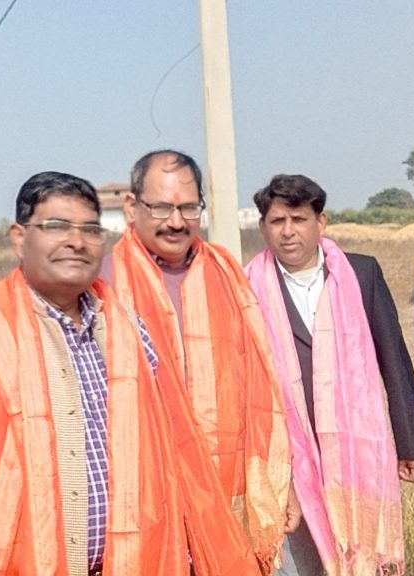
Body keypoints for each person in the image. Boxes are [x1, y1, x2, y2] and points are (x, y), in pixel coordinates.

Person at [0, 171, 255, 575]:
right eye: (56, 226)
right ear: (19, 238)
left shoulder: (130, 330)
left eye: (90, 230)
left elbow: (174, 455)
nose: (76, 241)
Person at [102, 149, 290, 572]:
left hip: (228, 488)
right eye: (161, 207)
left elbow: (259, 387)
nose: (175, 221)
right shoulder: (102, 281)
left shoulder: (227, 274)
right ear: (131, 207)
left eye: (188, 207)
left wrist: (281, 485)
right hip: (143, 489)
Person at [244, 174, 414, 575]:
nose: (288, 231)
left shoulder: (360, 274)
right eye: (277, 221)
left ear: (321, 222)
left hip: (355, 450)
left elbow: (393, 359)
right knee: (301, 558)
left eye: (299, 219)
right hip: (291, 455)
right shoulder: (247, 287)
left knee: (363, 554)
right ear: (263, 227)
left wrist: (411, 442)